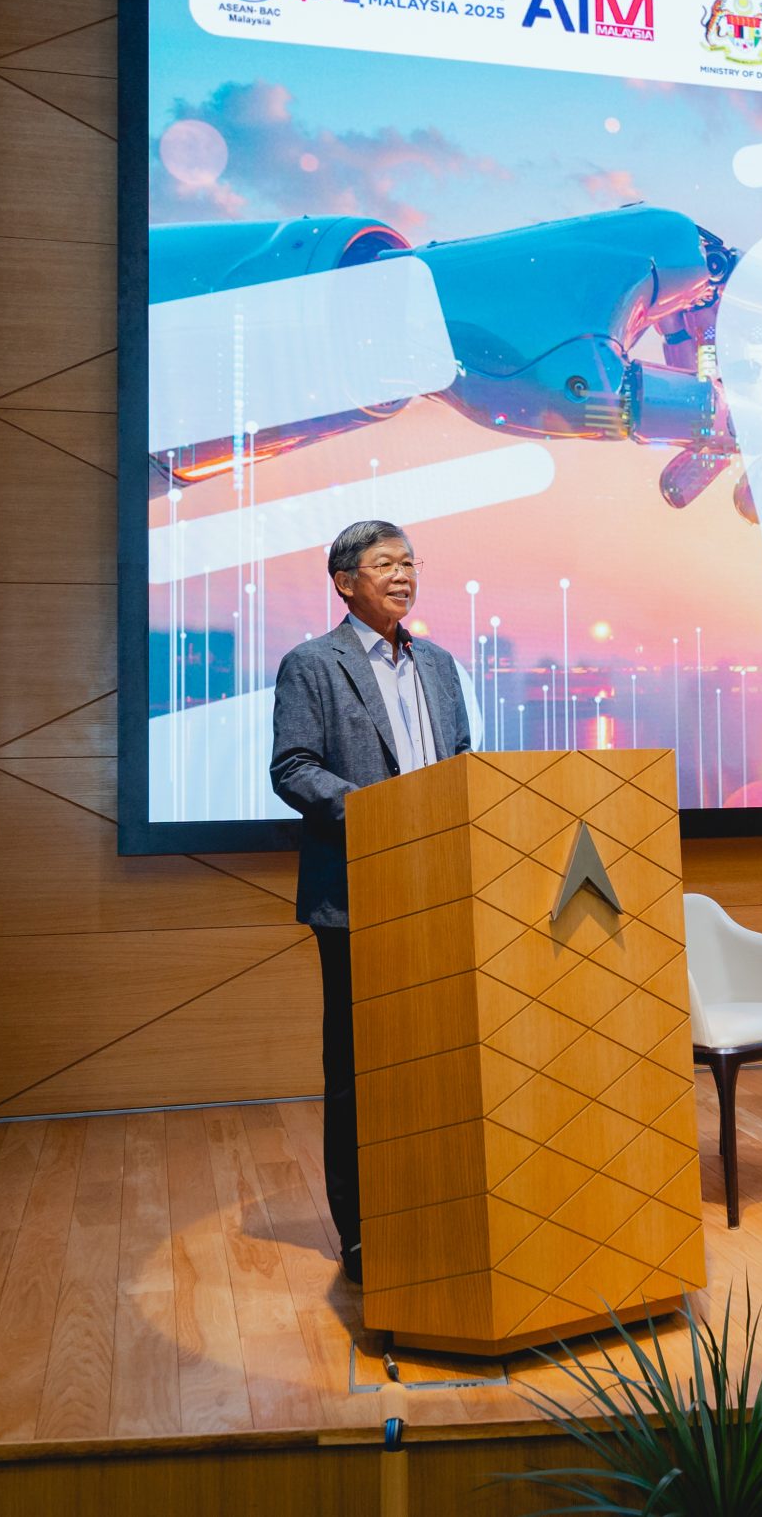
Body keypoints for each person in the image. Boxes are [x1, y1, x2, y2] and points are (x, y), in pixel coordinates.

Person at [270, 520, 473, 1285]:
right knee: (359, 1067)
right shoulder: (312, 664)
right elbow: (293, 767)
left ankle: (441, 1201)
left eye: (410, 562)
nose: (403, 574)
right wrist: (374, 812)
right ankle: (360, 1231)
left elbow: (460, 762)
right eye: (386, 563)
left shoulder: (440, 665)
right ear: (345, 581)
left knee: (443, 1055)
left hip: (443, 887)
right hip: (359, 889)